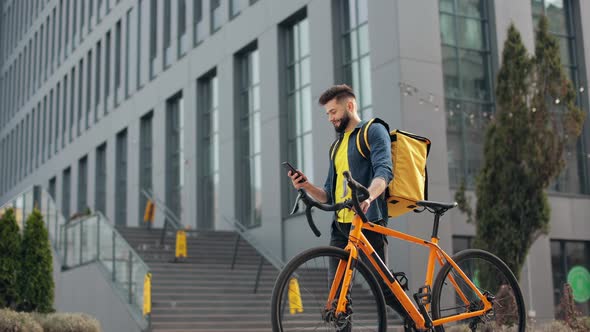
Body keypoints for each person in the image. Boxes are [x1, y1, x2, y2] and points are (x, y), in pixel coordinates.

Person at [288, 84, 392, 262]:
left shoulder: (373, 130)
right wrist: (306, 186)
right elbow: (328, 196)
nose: (330, 118)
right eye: (328, 113)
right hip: (341, 227)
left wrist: (368, 198)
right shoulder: (336, 146)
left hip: (368, 221)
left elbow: (384, 172)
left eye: (333, 112)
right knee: (336, 289)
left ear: (350, 106)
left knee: (381, 286)